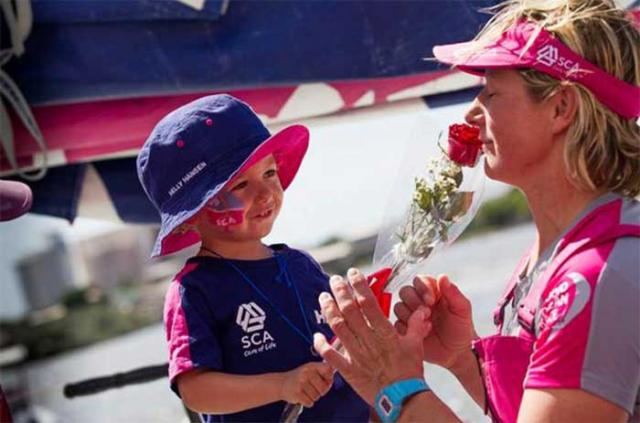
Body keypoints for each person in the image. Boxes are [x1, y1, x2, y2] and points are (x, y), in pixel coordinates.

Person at [313, 1, 640, 422]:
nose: (472, 111)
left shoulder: (596, 276)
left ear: (561, 109)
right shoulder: (563, 256)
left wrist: (392, 386)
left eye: (491, 92)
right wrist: (464, 360)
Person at [136, 94, 369, 422]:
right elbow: (195, 390)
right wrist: (282, 385)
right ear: (191, 216)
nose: (265, 193)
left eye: (270, 173)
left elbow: (349, 356)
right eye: (242, 184)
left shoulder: (301, 265)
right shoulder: (193, 290)